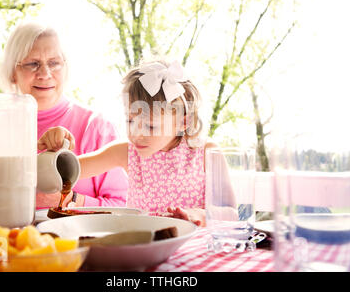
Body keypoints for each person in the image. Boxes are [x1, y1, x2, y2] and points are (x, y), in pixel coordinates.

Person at [38, 59, 237, 226]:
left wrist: (199, 215)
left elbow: (231, 213)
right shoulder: (126, 152)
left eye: (150, 126)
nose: (136, 134)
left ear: (182, 122)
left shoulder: (206, 153)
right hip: (145, 247)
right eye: (130, 121)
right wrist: (58, 145)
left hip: (195, 250)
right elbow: (66, 171)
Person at [0, 21, 129, 209]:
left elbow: (123, 207)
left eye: (54, 63)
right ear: (12, 72)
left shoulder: (96, 127)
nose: (45, 73)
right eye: (32, 64)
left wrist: (69, 200)